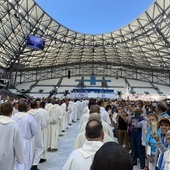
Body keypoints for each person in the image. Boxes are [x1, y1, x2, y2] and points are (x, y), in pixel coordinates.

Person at [12, 102, 38, 170]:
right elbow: (35, 130)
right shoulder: (29, 118)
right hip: (25, 142)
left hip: (14, 142)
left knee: (16, 161)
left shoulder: (13, 117)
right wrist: (29, 136)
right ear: (26, 108)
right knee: (25, 160)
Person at [0, 102, 24, 170]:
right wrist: (21, 158)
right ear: (11, 112)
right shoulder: (14, 125)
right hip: (7, 154)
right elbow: (18, 144)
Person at [28, 101, 47, 170]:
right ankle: (35, 164)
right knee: (40, 148)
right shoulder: (40, 113)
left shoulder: (27, 113)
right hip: (38, 133)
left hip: (29, 134)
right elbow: (44, 124)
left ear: (30, 106)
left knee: (30, 148)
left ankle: (30, 164)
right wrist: (40, 128)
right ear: (37, 106)